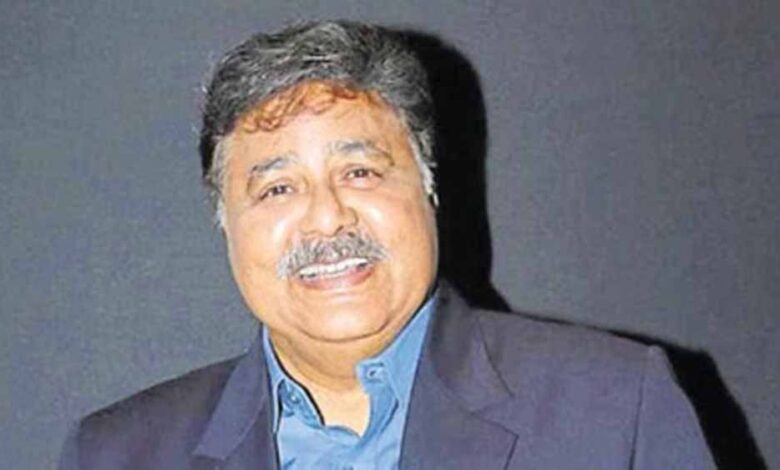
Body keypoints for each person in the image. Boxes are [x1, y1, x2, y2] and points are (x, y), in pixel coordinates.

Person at [59, 20, 716, 469]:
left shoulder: (614, 410)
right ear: (225, 222)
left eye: (360, 172)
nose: (327, 220)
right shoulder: (118, 454)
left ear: (430, 189)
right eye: (278, 188)